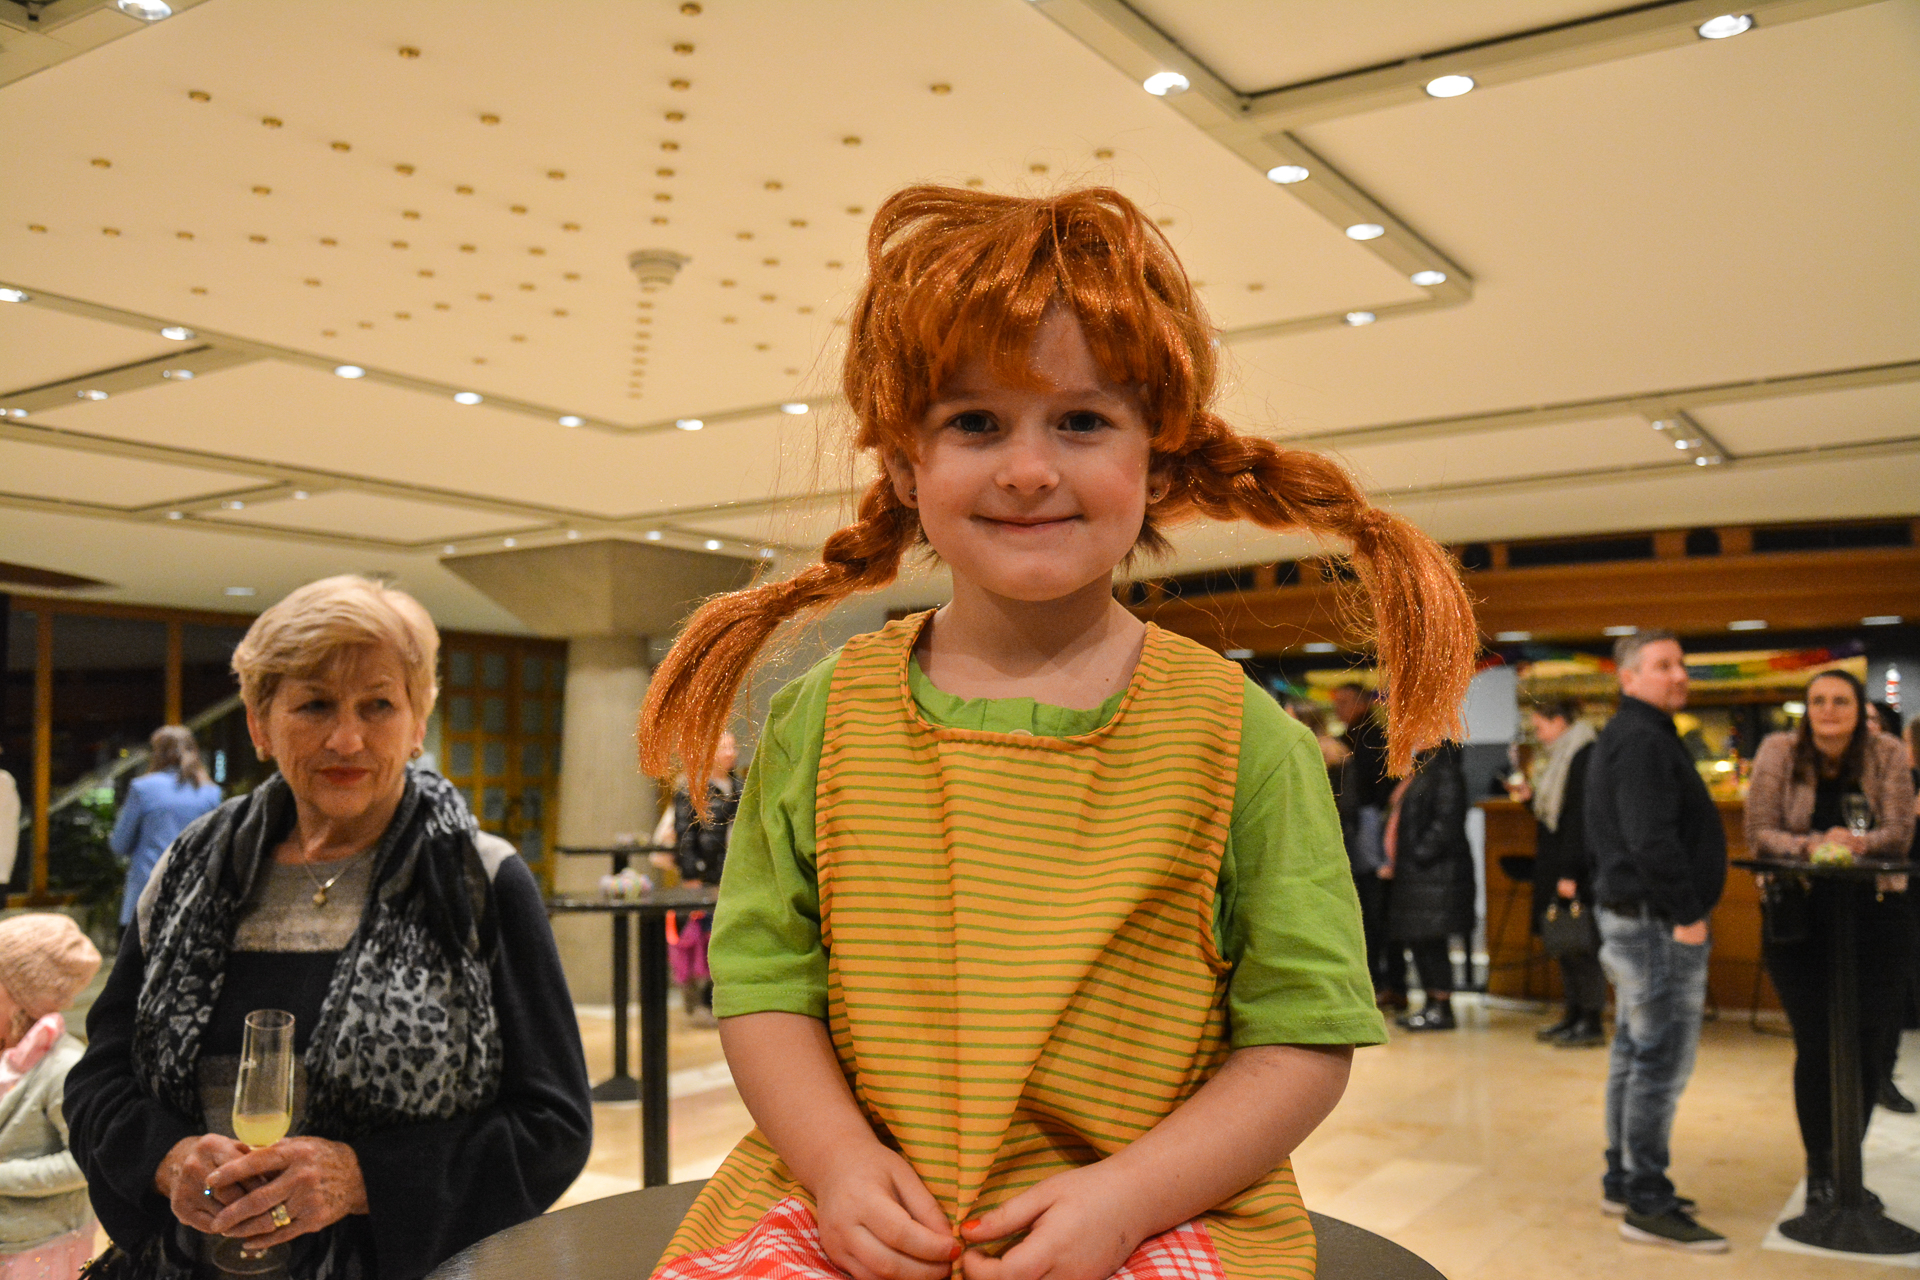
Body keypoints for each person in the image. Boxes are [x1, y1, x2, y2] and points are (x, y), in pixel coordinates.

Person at [635, 185, 1477, 1280]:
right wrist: (838, 1160)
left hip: (1162, 1207)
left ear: (1159, 461)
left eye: (1081, 421)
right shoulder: (823, 718)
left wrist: (1128, 1198)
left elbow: (1302, 1035)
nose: (1028, 469)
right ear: (904, 466)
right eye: (974, 422)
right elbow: (763, 984)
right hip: (843, 1199)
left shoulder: (1243, 739)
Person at [65, 574, 593, 1280]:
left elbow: (553, 1127)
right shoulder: (190, 871)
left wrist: (362, 1179)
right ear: (259, 724)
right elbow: (98, 1078)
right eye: (314, 705)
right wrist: (164, 1158)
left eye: (379, 705)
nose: (348, 738)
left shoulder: (477, 881)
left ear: (417, 722)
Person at [1746, 670, 1916, 1209]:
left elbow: (1899, 833)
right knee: (1817, 1044)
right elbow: (1759, 831)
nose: (1828, 710)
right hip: (1799, 919)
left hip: (1877, 919)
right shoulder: (1778, 751)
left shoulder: (1887, 753)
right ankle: (1820, 1169)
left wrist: (1856, 845)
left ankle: (1848, 1166)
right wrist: (1816, 845)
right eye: (1817, 700)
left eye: (1841, 700)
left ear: (1858, 707)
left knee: (1868, 1045)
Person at [1586, 629, 1729, 1252]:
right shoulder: (1643, 739)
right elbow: (1650, 839)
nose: (1679, 675)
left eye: (1681, 664)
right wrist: (1687, 912)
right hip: (1656, 922)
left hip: (1636, 918)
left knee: (1634, 1051)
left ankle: (1623, 1179)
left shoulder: (1632, 733)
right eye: (1663, 665)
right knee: (1660, 1061)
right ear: (1629, 677)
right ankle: (1647, 1199)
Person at [0, 913, 102, 1280]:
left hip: (41, 1245)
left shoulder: (64, 1068)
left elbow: (83, 1162)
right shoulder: (5, 1049)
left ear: (22, 1002)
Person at [1511, 700, 1605, 1047]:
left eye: (1540, 726)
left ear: (1560, 721)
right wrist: (1529, 799)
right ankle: (1573, 1014)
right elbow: (1554, 813)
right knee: (1564, 940)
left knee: (1581, 944)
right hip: (1558, 861)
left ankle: (1591, 1021)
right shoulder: (1562, 755)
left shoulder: (1582, 754)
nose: (1538, 734)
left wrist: (1570, 873)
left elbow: (1578, 820)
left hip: (1574, 867)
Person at [1381, 744, 1472, 1031]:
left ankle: (1441, 1007)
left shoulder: (1445, 770)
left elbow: (1447, 822)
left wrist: (1419, 853)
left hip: (1435, 874)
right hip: (1418, 874)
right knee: (1420, 940)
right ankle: (1431, 1003)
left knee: (1432, 941)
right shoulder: (1423, 767)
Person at [111, 726, 224, 931]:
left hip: (146, 902)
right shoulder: (211, 793)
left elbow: (119, 844)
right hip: (193, 902)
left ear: (156, 753)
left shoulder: (142, 788)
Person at [669, 731, 742, 1024]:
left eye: (733, 746)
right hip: (705, 874)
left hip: (734, 873)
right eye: (723, 747)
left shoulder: (741, 787)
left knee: (728, 935)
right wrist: (690, 873)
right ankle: (699, 1000)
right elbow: (684, 833)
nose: (730, 752)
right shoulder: (691, 788)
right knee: (701, 937)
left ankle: (722, 998)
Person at [1333, 683, 1397, 1009]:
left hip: (1367, 830)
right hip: (1364, 829)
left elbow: (1373, 790)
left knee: (1370, 906)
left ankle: (1378, 982)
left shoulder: (1368, 737)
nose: (1337, 708)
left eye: (1344, 701)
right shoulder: (1357, 736)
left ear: (1361, 703)